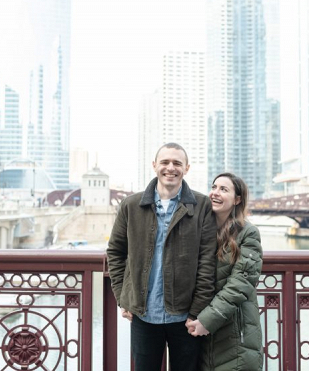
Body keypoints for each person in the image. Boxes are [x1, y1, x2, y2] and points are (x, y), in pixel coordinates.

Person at [107, 142, 217, 371]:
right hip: (143, 314)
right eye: (165, 162)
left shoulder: (201, 205)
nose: (171, 168)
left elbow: (207, 261)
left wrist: (197, 310)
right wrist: (123, 297)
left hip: (186, 316)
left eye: (177, 163)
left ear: (186, 168)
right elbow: (116, 253)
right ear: (154, 165)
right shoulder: (131, 205)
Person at [186, 172, 263, 371]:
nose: (215, 193)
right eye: (213, 187)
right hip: (199, 331)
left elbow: (241, 283)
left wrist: (207, 320)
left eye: (223, 189)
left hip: (235, 333)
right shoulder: (199, 230)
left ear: (237, 199)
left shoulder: (248, 233)